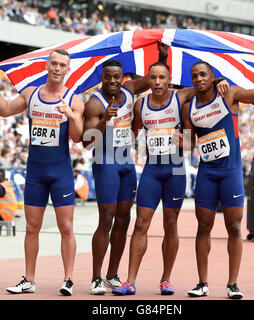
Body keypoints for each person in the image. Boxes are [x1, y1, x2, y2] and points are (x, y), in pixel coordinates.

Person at [181, 54, 254, 299]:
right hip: (207, 173)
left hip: (230, 172)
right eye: (194, 76)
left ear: (213, 77)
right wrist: (177, 138)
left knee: (234, 227)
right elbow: (186, 145)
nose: (198, 78)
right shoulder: (189, 106)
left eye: (203, 74)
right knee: (203, 227)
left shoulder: (229, 94)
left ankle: (232, 284)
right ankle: (202, 283)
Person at [111, 61, 228, 296]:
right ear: (148, 80)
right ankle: (130, 280)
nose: (157, 82)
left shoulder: (181, 97)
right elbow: (132, 132)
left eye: (162, 78)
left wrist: (220, 79)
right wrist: (111, 130)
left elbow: (204, 84)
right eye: (153, 78)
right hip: (152, 170)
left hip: (174, 170)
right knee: (141, 223)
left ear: (169, 79)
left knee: (170, 224)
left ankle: (166, 279)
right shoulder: (140, 105)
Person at [0, 48, 85, 296]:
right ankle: (29, 279)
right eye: (54, 63)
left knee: (66, 227)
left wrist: (71, 116)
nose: (57, 68)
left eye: (62, 65)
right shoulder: (31, 94)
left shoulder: (74, 99)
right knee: (32, 227)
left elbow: (77, 137)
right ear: (47, 65)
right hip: (36, 172)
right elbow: (5, 110)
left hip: (61, 172)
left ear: (67, 69)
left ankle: (68, 279)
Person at [82, 43, 168, 295]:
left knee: (124, 220)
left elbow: (154, 78)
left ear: (123, 78)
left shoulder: (130, 90)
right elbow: (87, 143)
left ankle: (112, 274)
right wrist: (105, 121)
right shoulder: (94, 104)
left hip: (127, 163)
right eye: (107, 77)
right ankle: (96, 277)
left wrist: (162, 56)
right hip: (105, 162)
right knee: (106, 219)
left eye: (116, 77)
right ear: (101, 78)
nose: (112, 81)